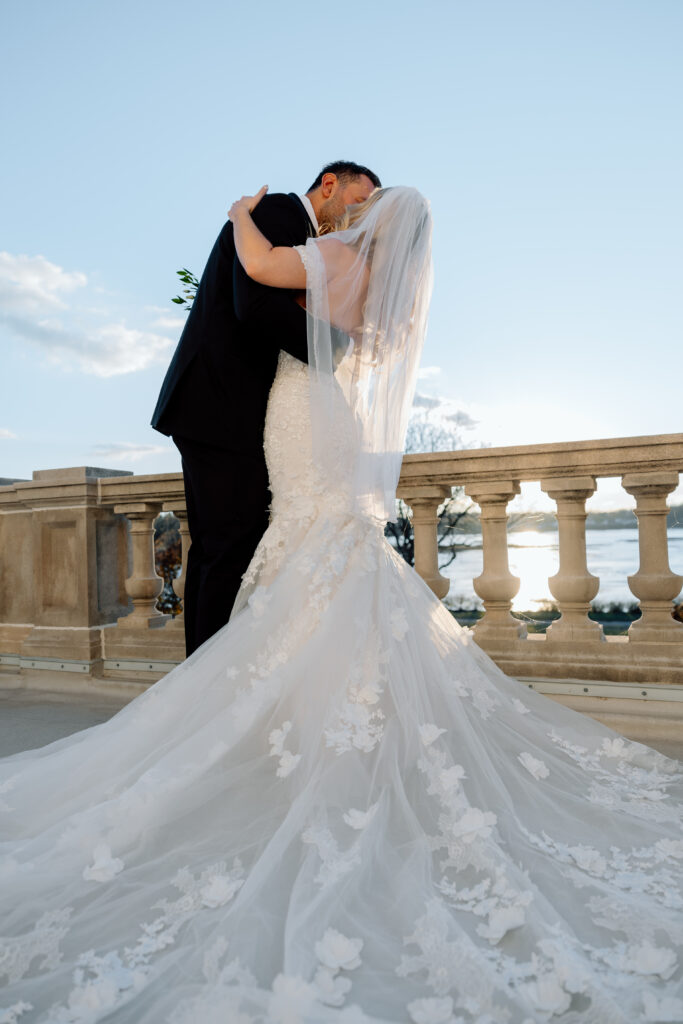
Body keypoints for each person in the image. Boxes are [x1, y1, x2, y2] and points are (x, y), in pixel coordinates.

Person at [1, 187, 682, 1024]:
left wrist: (240, 209)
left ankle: (296, 721)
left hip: (302, 418)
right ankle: (334, 721)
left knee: (306, 542)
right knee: (332, 551)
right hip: (337, 421)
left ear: (375, 224)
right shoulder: (387, 288)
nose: (350, 213)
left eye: (364, 207)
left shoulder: (337, 258)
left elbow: (254, 266)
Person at [150, 160, 380, 656]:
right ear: (329, 185)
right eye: (360, 201)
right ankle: (204, 688)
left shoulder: (289, 232)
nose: (362, 216)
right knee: (226, 551)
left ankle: (209, 680)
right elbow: (251, 305)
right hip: (218, 409)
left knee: (228, 549)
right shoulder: (276, 212)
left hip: (229, 410)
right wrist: (334, 350)